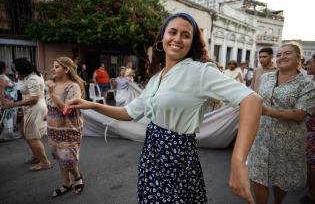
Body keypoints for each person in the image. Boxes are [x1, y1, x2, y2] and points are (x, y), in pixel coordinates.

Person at [68, 13, 262, 204]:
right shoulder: (157, 78)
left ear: (191, 43)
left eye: (185, 35)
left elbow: (252, 100)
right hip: (151, 156)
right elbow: (128, 112)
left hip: (178, 159)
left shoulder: (199, 71)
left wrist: (238, 162)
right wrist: (91, 105)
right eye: (173, 32)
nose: (178, 39)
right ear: (163, 38)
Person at [247, 42, 315, 204]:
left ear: (299, 58)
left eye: (287, 53)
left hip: (287, 141)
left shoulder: (307, 84)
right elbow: (256, 98)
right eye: (279, 54)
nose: (282, 57)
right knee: (257, 175)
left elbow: (300, 114)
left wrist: (266, 111)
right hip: (261, 136)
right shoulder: (265, 77)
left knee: (280, 178)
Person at [1, 58, 51, 170]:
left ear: (22, 68)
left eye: (16, 69)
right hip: (31, 108)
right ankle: (36, 156)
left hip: (35, 107)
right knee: (24, 132)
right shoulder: (30, 76)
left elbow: (34, 99)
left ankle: (44, 162)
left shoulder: (33, 78)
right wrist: (19, 77)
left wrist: (12, 104)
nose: (15, 71)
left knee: (32, 136)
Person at [46, 57, 85, 197]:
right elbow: (49, 106)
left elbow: (66, 110)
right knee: (59, 156)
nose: (53, 69)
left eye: (56, 67)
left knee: (68, 157)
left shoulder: (73, 87)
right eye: (53, 66)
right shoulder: (52, 84)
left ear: (67, 69)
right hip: (53, 128)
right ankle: (67, 183)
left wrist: (52, 93)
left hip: (69, 127)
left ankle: (77, 176)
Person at [300, 54, 315, 204]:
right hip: (308, 128)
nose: (307, 66)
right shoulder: (310, 82)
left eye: (310, 63)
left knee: (312, 165)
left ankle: (312, 194)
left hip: (312, 131)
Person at [0, 60, 18, 141]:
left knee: (7, 118)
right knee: (6, 118)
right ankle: (5, 136)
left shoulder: (3, 76)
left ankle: (7, 135)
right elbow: (1, 91)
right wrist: (4, 102)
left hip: (9, 101)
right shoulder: (1, 77)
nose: (7, 68)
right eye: (6, 66)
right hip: (6, 102)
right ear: (2, 67)